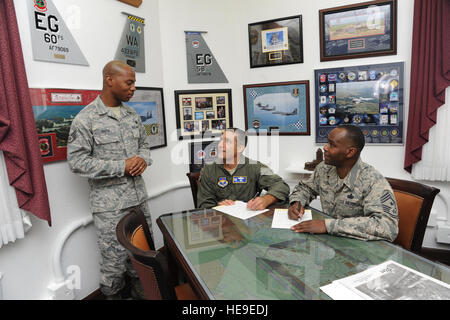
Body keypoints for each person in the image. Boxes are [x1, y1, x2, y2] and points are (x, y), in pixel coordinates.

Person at [67, 60, 152, 299]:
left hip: (139, 202)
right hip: (110, 209)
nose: (133, 88)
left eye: (134, 82)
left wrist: (143, 160)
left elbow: (144, 147)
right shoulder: (87, 119)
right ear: (109, 80)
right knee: (113, 268)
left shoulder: (132, 115)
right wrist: (120, 166)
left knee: (142, 262)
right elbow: (77, 162)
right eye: (129, 82)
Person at [288, 125, 398, 242]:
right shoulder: (324, 168)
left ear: (350, 152)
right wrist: (297, 203)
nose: (325, 148)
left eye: (332, 145)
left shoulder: (372, 181)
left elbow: (387, 227)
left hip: (360, 249)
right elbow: (306, 188)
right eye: (327, 143)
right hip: (330, 243)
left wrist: (327, 226)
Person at [197, 128, 290, 210]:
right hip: (221, 222)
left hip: (248, 221)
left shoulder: (256, 167)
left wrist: (267, 199)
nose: (221, 145)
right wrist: (218, 205)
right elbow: (204, 205)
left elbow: (281, 185)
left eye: (227, 141)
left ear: (240, 148)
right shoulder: (208, 170)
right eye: (221, 140)